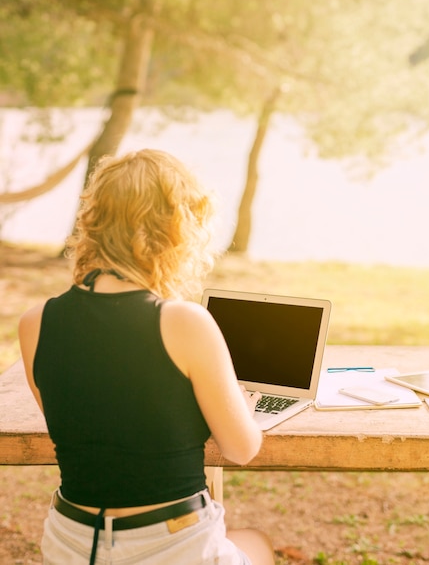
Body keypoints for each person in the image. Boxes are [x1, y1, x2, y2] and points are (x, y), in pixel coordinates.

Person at [18, 149, 275, 565]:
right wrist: (239, 410)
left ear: (93, 221)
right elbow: (241, 448)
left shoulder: (34, 323)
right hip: (173, 545)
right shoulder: (184, 322)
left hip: (72, 544)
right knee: (258, 544)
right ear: (176, 231)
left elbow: (83, 426)